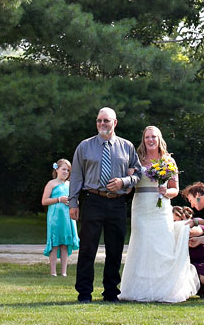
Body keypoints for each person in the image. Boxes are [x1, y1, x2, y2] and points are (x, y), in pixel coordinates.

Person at [68, 107, 142, 303]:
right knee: (87, 249)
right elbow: (76, 176)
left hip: (117, 203)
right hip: (92, 200)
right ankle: (84, 293)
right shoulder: (85, 146)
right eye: (99, 120)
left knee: (115, 249)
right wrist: (73, 203)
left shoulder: (127, 146)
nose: (102, 124)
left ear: (114, 123)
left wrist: (124, 182)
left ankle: (111, 292)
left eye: (106, 120)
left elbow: (138, 173)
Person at [118, 126, 199, 302]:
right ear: (143, 139)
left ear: (159, 139)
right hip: (140, 205)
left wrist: (165, 192)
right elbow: (128, 188)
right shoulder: (136, 160)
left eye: (153, 137)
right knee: (142, 244)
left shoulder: (168, 161)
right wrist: (129, 176)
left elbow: (175, 189)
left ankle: (163, 289)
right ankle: (139, 288)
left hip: (161, 208)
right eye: (147, 137)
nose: (150, 140)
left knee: (161, 245)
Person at [41, 158, 79, 277]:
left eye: (68, 170)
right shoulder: (51, 184)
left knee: (64, 244)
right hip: (55, 218)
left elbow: (75, 199)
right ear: (57, 169)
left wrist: (73, 202)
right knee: (55, 243)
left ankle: (63, 272)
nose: (66, 172)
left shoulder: (70, 185)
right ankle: (53, 271)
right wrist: (59, 199)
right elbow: (44, 201)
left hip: (67, 218)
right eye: (63, 169)